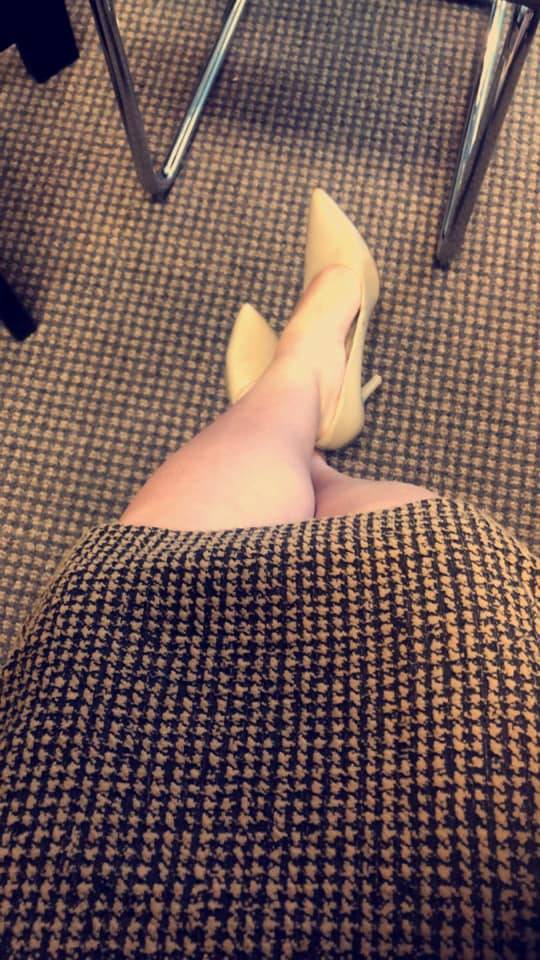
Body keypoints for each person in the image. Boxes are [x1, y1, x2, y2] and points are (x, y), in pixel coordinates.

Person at [0, 193, 537, 959]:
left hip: (66, 844)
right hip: (467, 805)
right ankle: (308, 379)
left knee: (157, 582)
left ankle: (298, 397)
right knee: (399, 560)